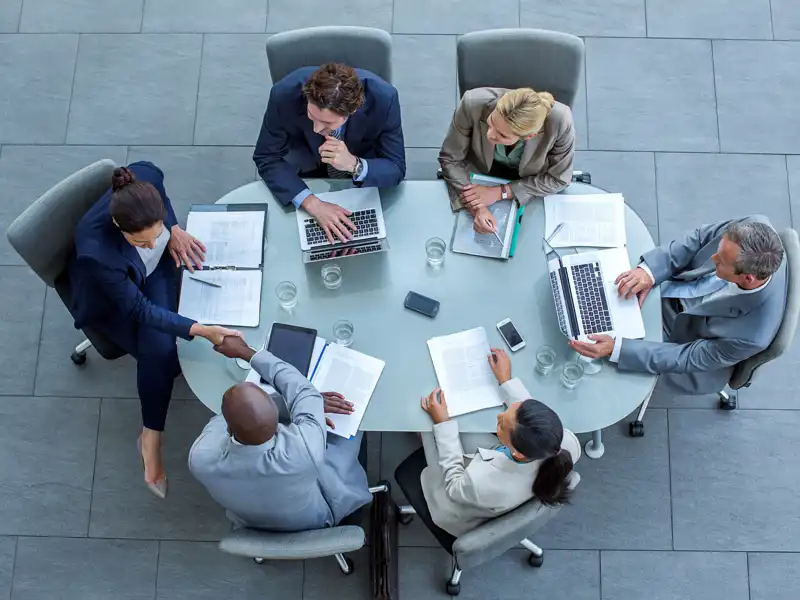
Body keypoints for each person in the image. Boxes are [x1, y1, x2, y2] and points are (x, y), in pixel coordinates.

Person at [67, 161, 239, 499]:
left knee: (170, 347)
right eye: (141, 242)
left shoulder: (145, 177)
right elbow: (138, 309)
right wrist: (201, 331)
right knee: (161, 353)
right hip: (115, 300)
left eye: (154, 234)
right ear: (119, 225)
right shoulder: (96, 253)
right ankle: (151, 435)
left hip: (155, 272)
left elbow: (161, 197)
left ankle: (151, 430)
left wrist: (172, 230)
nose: (150, 244)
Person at [570, 216, 787, 395]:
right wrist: (650, 272)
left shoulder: (751, 335)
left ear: (748, 278)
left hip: (685, 338)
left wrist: (617, 349)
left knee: (590, 361)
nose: (712, 258)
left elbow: (686, 357)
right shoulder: (751, 226)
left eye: (720, 261)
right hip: (677, 286)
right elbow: (700, 239)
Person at [394, 348, 580, 543]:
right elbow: (528, 415)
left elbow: (454, 485)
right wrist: (505, 380)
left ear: (516, 450)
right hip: (496, 468)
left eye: (501, 424)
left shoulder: (481, 482)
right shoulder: (563, 441)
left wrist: (442, 424)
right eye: (512, 410)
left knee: (424, 420)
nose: (499, 416)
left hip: (456, 499)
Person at [189, 336, 373, 532]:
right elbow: (303, 391)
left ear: (229, 429)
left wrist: (286, 405)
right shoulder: (303, 451)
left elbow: (223, 417)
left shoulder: (200, 458)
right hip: (316, 520)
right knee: (357, 421)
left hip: (251, 523)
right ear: (279, 424)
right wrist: (246, 352)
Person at [254, 62, 406, 244]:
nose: (317, 129)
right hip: (306, 166)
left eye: (328, 124)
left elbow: (396, 167)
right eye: (312, 116)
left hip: (361, 175)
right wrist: (313, 204)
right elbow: (267, 156)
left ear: (353, 110)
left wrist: (354, 165)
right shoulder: (283, 94)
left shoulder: (385, 99)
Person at [439, 87, 575, 235]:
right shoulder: (471, 103)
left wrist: (501, 192)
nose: (489, 135)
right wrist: (477, 207)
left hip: (529, 182)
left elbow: (559, 179)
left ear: (529, 136)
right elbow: (451, 159)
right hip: (477, 174)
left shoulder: (561, 121)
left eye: (502, 135)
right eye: (491, 123)